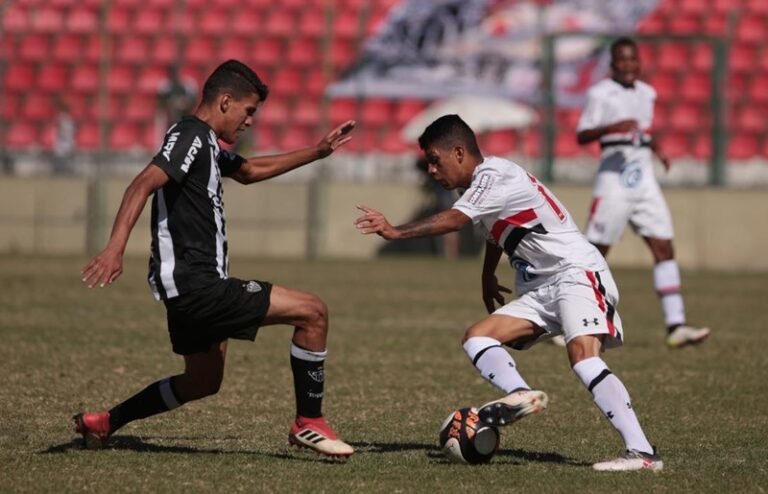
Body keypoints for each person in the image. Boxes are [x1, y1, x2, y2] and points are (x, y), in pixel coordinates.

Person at [75, 60, 356, 458]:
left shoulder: (205, 143)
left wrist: (318, 151)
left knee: (203, 381)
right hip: (198, 286)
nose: (250, 122)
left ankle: (106, 422)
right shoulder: (190, 135)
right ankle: (308, 422)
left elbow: (250, 170)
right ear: (225, 102)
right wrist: (114, 247)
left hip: (186, 292)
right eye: (249, 111)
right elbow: (143, 182)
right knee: (313, 313)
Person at [355, 114, 663, 471]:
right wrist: (488, 275)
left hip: (575, 273)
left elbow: (456, 220)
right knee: (477, 337)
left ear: (458, 152)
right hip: (542, 287)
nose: (432, 171)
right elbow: (493, 231)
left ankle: (642, 453)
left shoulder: (494, 176)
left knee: (582, 356)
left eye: (435, 161)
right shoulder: (478, 187)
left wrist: (395, 231)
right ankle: (519, 393)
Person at [576, 37, 710, 349]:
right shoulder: (600, 94)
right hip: (613, 182)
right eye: (621, 60)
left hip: (644, 179)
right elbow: (582, 134)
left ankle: (676, 325)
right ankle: (570, 317)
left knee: (663, 246)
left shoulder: (647, 93)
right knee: (594, 253)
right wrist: (611, 127)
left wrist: (657, 148)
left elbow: (642, 133)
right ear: (612, 64)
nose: (628, 65)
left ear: (639, 62)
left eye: (632, 60)